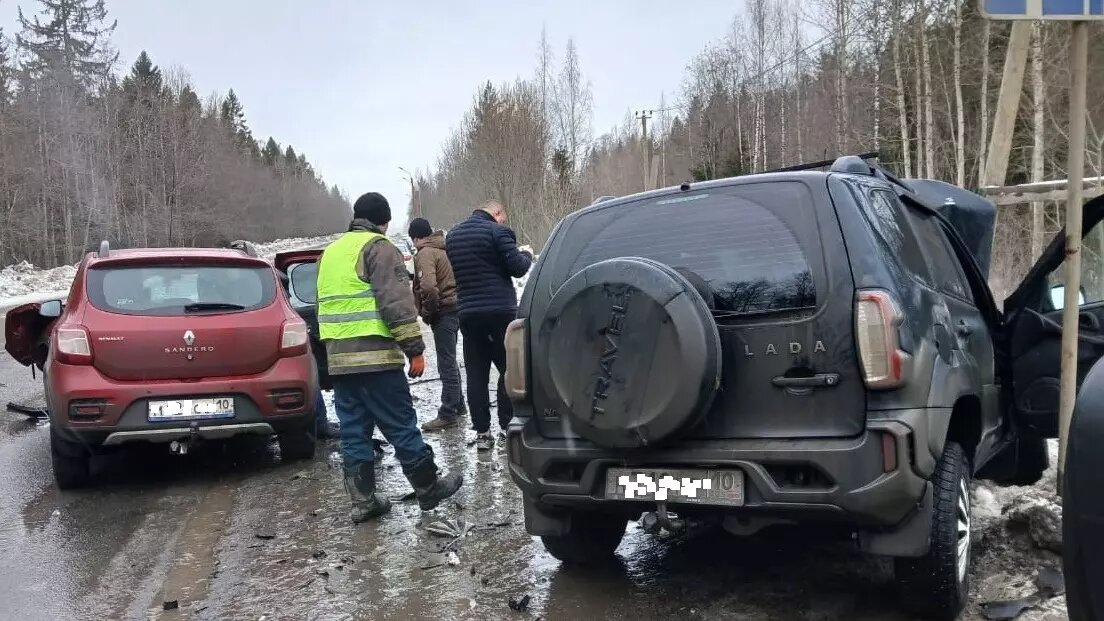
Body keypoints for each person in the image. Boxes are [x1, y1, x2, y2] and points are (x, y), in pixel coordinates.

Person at [317, 192, 463, 522]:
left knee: (354, 431)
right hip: (376, 359)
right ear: (383, 222)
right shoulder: (380, 248)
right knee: (401, 424)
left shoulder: (331, 253)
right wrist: (415, 351)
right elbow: (396, 305)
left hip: (340, 362)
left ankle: (364, 501)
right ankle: (428, 488)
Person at [445, 200, 533, 451]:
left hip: (469, 314)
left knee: (475, 373)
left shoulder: (453, 236)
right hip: (499, 313)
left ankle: (483, 432)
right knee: (508, 369)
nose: (504, 221)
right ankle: (507, 426)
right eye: (502, 217)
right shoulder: (498, 232)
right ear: (496, 213)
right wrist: (525, 253)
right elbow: (517, 269)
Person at [407, 217, 466, 431]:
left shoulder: (425, 253)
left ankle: (448, 412)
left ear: (415, 238)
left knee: (446, 363)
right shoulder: (442, 248)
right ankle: (459, 405)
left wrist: (427, 312)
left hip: (443, 311)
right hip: (456, 308)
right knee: (450, 359)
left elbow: (429, 287)